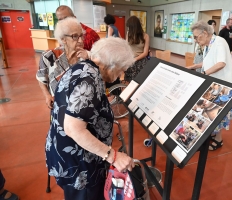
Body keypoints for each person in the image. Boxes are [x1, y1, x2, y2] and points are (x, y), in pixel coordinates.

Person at [45, 37, 136, 200]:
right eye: (121, 69)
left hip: (69, 153)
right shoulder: (90, 79)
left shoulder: (82, 67)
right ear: (112, 65)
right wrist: (112, 156)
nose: (120, 75)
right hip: (79, 163)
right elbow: (73, 128)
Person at [190, 20, 232, 151]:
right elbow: (207, 62)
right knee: (208, 111)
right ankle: (210, 134)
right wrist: (193, 66)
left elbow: (221, 63)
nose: (195, 40)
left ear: (205, 33)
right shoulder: (209, 44)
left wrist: (203, 74)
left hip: (224, 86)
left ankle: (219, 140)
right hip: (215, 85)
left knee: (216, 113)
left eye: (196, 37)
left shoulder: (219, 42)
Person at [36, 17, 87, 110]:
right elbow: (41, 78)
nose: (81, 41)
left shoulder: (86, 58)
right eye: (75, 36)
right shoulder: (49, 56)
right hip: (58, 107)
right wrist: (47, 95)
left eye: (81, 36)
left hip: (80, 110)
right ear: (63, 39)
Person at [124, 16, 150, 81]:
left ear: (134, 27)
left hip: (141, 62)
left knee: (140, 81)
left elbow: (145, 52)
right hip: (130, 61)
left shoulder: (145, 36)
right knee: (130, 82)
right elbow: (126, 47)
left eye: (130, 27)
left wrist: (135, 59)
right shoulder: (128, 34)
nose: (128, 29)